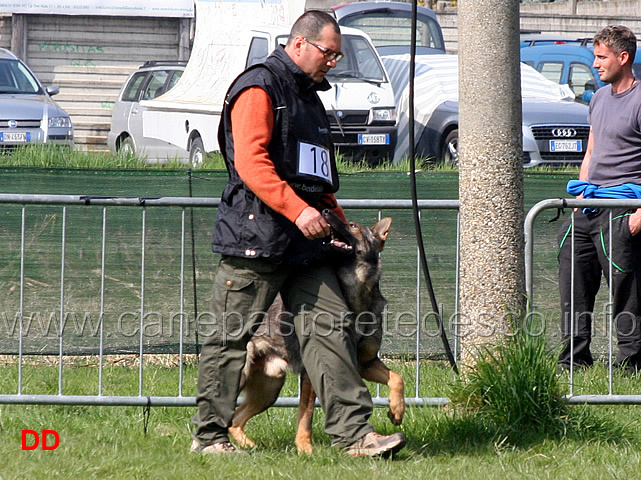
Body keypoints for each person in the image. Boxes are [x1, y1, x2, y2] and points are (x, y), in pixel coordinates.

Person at [190, 11, 406, 457]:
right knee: (230, 340)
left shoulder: (310, 100)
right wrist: (298, 210)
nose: (333, 63)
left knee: (332, 330)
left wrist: (336, 222)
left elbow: (317, 180)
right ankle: (210, 437)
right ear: (300, 44)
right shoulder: (259, 86)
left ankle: (356, 436)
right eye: (329, 53)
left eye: (337, 56)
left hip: (307, 248)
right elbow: (252, 164)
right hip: (257, 240)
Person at [558, 25, 641, 373]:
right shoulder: (599, 98)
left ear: (623, 58)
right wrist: (580, 193)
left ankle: (631, 363)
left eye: (601, 57)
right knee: (572, 277)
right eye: (595, 56)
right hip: (589, 207)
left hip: (623, 210)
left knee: (626, 289)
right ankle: (574, 360)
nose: (595, 64)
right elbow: (591, 150)